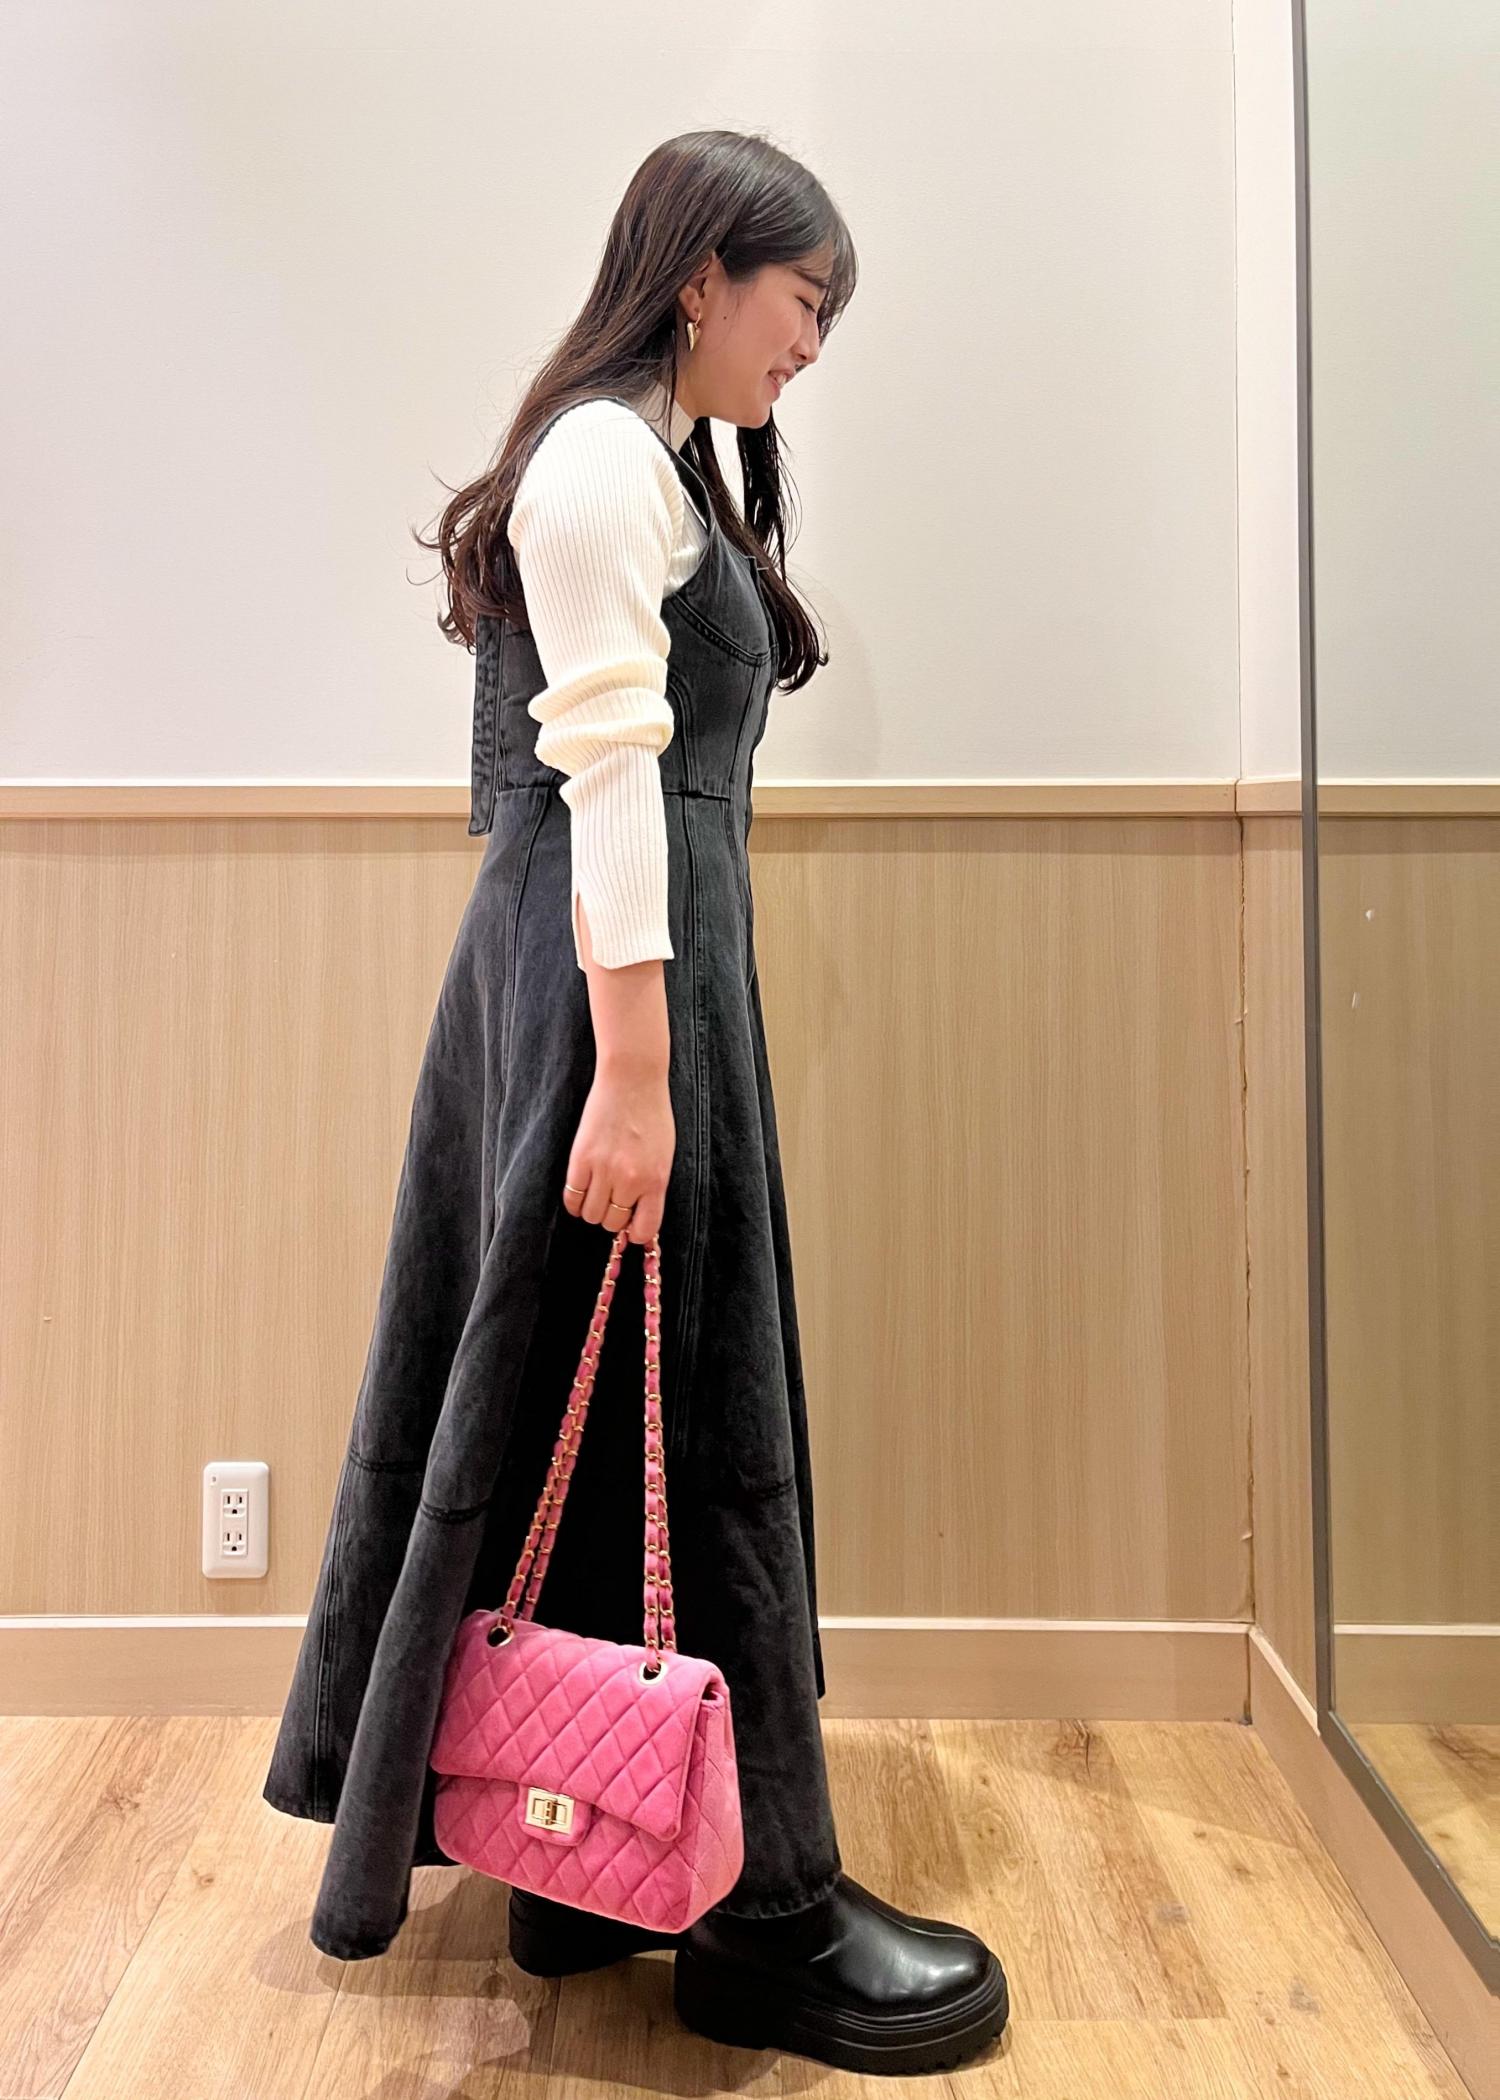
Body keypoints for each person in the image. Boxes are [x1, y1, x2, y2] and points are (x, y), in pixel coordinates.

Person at [262, 127, 1008, 2078]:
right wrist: (640, 1076)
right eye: (803, 302)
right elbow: (606, 781)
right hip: (611, 1002)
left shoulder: (648, 460)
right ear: (701, 279)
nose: (813, 344)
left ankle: (592, 1874)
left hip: (622, 990)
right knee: (698, 1405)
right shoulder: (604, 462)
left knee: (611, 1417)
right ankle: (765, 1920)